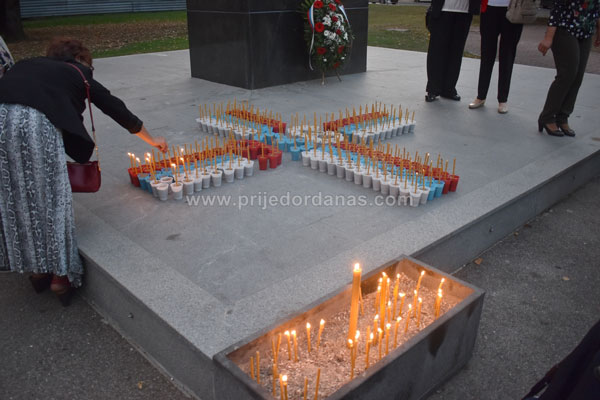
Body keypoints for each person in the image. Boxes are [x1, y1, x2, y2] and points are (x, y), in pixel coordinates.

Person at [0, 37, 168, 306]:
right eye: (90, 65)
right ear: (79, 59)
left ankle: (37, 269)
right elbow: (115, 108)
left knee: (15, 197)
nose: (91, 71)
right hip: (35, 127)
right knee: (53, 199)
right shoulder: (77, 72)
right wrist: (152, 140)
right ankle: (60, 277)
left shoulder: (28, 65)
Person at [537, 0, 600, 137]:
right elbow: (557, 8)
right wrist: (548, 38)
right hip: (565, 28)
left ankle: (562, 117)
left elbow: (597, 7)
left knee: (578, 77)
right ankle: (547, 117)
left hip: (586, 31)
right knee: (568, 74)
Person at [468, 0, 523, 113]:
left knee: (507, 56)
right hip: (489, 8)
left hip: (513, 8)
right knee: (486, 54)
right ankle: (481, 96)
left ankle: (503, 100)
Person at [425, 0, 481, 102]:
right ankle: (433, 89)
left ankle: (449, 88)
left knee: (456, 53)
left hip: (464, 11)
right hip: (443, 9)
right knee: (436, 51)